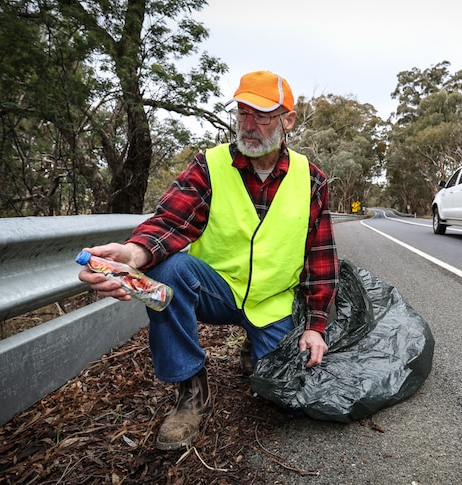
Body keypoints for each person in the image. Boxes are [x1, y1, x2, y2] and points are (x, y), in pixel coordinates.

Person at [78, 71, 339, 450]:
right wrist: (132, 256)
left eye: (262, 116)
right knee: (167, 272)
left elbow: (321, 257)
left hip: (273, 303)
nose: (248, 126)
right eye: (242, 113)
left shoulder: (311, 180)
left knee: (289, 400)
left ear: (288, 119)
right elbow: (171, 221)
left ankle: (253, 343)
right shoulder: (209, 166)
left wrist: (315, 326)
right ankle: (191, 390)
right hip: (217, 291)